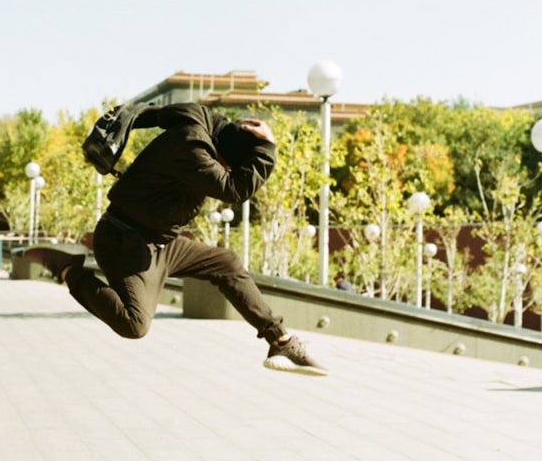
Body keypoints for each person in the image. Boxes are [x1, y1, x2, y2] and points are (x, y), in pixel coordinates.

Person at [24, 102, 327, 376]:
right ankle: (68, 269)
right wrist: (267, 149)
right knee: (134, 324)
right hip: (123, 240)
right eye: (228, 166)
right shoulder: (192, 150)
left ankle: (280, 341)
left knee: (227, 263)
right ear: (223, 155)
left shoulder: (205, 120)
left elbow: (154, 113)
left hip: (162, 242)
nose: (226, 170)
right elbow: (236, 191)